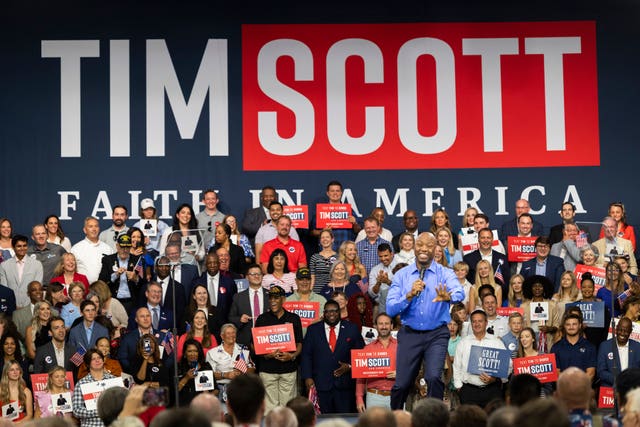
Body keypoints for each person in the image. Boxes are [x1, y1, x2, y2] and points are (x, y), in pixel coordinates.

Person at [386, 232, 465, 408]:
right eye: (420, 244)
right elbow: (390, 309)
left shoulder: (444, 273)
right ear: (414, 246)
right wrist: (408, 295)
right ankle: (396, 418)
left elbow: (460, 293)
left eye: (429, 245)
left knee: (433, 377)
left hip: (436, 334)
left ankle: (433, 418)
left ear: (436, 248)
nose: (424, 249)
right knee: (402, 383)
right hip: (409, 334)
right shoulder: (402, 275)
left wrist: (449, 296)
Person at [301, 299, 365, 413]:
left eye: (335, 311)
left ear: (339, 312)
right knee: (323, 422)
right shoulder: (313, 330)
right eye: (328, 311)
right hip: (321, 385)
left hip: (345, 386)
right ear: (324, 313)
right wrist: (308, 377)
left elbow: (361, 353)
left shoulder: (352, 329)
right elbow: (306, 355)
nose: (332, 314)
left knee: (344, 422)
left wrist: (350, 366)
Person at [254, 285, 303, 412]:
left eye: (276, 298)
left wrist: (291, 356)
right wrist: (266, 354)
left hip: (288, 370)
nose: (272, 301)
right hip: (267, 370)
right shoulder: (262, 319)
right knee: (269, 410)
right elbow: (253, 344)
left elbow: (300, 343)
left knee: (288, 409)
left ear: (283, 300)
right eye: (270, 298)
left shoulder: (294, 318)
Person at [453, 309, 509, 407]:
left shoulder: (496, 342)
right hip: (469, 391)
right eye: (474, 321)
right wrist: (459, 387)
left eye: (480, 321)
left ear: (486, 322)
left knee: (493, 421)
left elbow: (508, 364)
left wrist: (495, 379)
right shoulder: (463, 342)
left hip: (492, 390)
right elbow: (457, 366)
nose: (477, 324)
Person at [355, 312, 397, 412]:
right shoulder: (367, 349)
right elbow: (360, 377)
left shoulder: (401, 347)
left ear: (391, 326)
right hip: (374, 397)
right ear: (375, 326)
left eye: (386, 324)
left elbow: (409, 370)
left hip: (396, 396)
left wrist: (400, 374)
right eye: (380, 324)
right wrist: (359, 399)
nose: (383, 327)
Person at [206, 323, 255, 400]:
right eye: (228, 333)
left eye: (233, 333)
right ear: (222, 336)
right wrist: (226, 375)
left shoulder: (243, 350)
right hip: (221, 389)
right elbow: (208, 375)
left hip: (240, 388)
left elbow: (252, 369)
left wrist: (243, 371)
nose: (231, 335)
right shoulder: (212, 353)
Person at [98, 234, 143, 314]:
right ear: (117, 246)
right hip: (113, 301)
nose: (124, 250)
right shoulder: (108, 260)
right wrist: (115, 276)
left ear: (131, 247)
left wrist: (136, 279)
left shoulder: (138, 260)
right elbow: (101, 282)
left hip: (131, 302)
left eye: (127, 247)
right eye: (122, 247)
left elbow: (144, 283)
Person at [73, 349, 117, 427]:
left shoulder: (114, 380)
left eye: (99, 358)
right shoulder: (81, 384)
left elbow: (122, 404)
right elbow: (76, 411)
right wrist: (99, 411)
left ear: (103, 360)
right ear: (87, 364)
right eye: (93, 359)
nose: (97, 360)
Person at [191, 252, 237, 326]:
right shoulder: (197, 282)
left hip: (223, 323)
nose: (212, 265)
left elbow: (233, 304)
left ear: (219, 264)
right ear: (206, 264)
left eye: (215, 263)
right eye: (209, 263)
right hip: (200, 322)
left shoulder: (229, 282)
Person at [229, 263, 269, 346]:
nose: (256, 276)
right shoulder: (238, 297)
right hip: (245, 340)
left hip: (267, 339)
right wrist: (240, 319)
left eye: (259, 274)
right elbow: (231, 317)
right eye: (253, 274)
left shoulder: (270, 295)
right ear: (247, 277)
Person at [0, 235, 43, 309]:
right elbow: (4, 289)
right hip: (11, 307)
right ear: (13, 247)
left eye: (24, 246)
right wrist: (13, 305)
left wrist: (28, 307)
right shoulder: (4, 265)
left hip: (31, 308)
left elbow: (37, 289)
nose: (22, 248)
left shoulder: (37, 264)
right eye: (19, 246)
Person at [463, 228, 510, 295]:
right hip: (476, 297)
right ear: (478, 239)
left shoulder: (502, 258)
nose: (486, 240)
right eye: (483, 238)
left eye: (488, 237)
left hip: (498, 297)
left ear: (492, 239)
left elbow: (506, 280)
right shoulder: (468, 258)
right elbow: (467, 281)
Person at [550, 312, 596, 380]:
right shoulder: (556, 347)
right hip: (564, 388)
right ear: (564, 326)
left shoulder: (589, 347)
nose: (571, 327)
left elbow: (591, 373)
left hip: (583, 388)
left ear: (580, 325)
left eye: (574, 324)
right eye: (568, 324)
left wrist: (578, 386)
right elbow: (556, 372)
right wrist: (569, 386)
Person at [521, 275, 560, 353]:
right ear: (530, 288)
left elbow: (557, 326)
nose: (537, 288)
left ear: (545, 288)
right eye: (534, 286)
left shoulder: (552, 305)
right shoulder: (524, 306)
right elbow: (522, 327)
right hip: (529, 344)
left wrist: (549, 329)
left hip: (547, 343)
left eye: (540, 286)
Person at [597, 317, 640, 387]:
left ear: (630, 331)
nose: (622, 333)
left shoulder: (637, 347)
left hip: (631, 390)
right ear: (616, 328)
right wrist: (618, 380)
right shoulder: (605, 346)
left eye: (626, 331)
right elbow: (601, 372)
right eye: (620, 329)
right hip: (610, 389)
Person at [286, 267, 327, 335]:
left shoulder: (321, 300)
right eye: (301, 279)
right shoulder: (287, 301)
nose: (304, 282)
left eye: (307, 279)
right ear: (296, 281)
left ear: (311, 281)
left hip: (315, 340)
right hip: (294, 341)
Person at [177, 339, 215, 406]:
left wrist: (208, 397)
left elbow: (216, 389)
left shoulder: (206, 366)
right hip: (184, 407)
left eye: (195, 351)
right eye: (189, 351)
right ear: (185, 353)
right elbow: (174, 391)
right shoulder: (178, 367)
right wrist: (186, 378)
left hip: (202, 407)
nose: (193, 354)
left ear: (199, 353)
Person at [152, 255, 186, 326]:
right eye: (161, 266)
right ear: (156, 268)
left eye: (166, 266)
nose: (164, 268)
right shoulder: (147, 286)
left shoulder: (178, 288)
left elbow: (180, 312)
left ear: (170, 267)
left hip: (172, 329)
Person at [368, 243, 397, 310]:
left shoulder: (400, 266)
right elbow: (371, 294)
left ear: (392, 254)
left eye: (386, 255)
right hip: (381, 306)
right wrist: (378, 283)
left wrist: (388, 282)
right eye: (380, 256)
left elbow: (404, 288)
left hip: (397, 303)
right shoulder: (375, 270)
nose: (383, 259)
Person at [309, 229, 338, 293]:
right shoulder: (314, 257)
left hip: (333, 291)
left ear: (332, 239)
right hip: (317, 291)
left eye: (327, 237)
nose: (325, 239)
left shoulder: (338, 257)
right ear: (320, 241)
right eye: (322, 237)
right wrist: (310, 293)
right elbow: (312, 277)